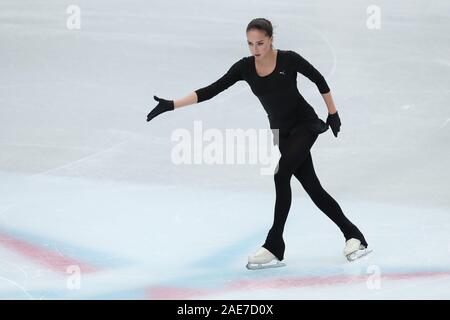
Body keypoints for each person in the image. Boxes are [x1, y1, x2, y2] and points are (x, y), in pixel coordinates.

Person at [147, 18, 370, 269]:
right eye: (250, 44)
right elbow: (211, 90)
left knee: (281, 174)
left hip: (304, 125)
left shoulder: (289, 59)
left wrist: (333, 113)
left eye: (260, 43)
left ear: (271, 39)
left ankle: (274, 245)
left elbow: (320, 80)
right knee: (313, 188)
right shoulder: (245, 68)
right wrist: (172, 104)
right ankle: (354, 236)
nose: (255, 49)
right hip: (281, 132)